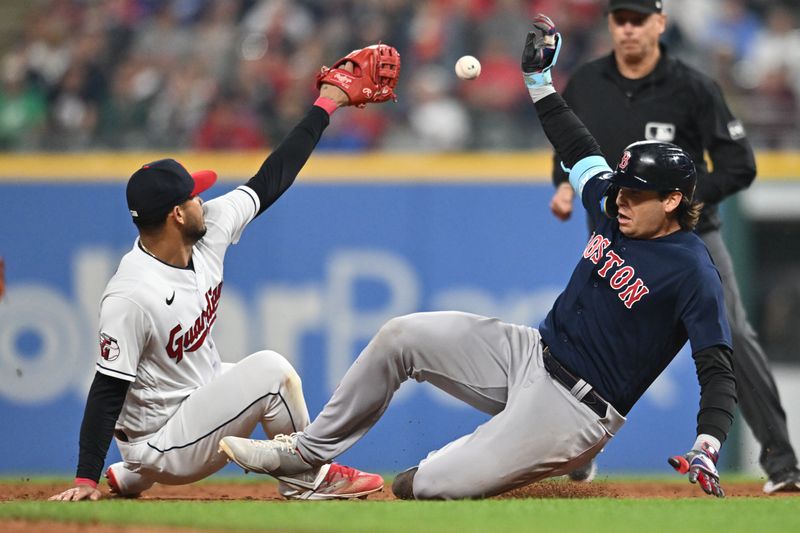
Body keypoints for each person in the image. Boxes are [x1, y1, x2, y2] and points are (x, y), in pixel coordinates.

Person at [217, 16, 736, 500]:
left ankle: (563, 462)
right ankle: (307, 456)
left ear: (672, 201)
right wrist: (539, 82)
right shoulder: (614, 205)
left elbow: (716, 366)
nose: (620, 198)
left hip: (578, 409)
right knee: (401, 337)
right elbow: (579, 149)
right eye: (620, 188)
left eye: (635, 193)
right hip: (531, 352)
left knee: (419, 484)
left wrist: (708, 443)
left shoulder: (691, 268)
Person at [49, 44, 400, 502]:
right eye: (193, 196)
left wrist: (327, 103)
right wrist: (83, 479)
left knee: (240, 374)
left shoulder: (207, 227)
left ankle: (130, 476)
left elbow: (273, 176)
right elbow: (106, 391)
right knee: (272, 372)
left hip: (193, 402)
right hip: (162, 444)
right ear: (176, 214)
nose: (203, 199)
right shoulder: (131, 294)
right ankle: (309, 477)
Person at [549, 0, 800, 493]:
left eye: (638, 19)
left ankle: (782, 465)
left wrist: (676, 204)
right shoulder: (586, 83)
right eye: (620, 19)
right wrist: (561, 183)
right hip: (614, 237)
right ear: (610, 25)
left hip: (692, 242)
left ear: (660, 24)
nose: (628, 28)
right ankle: (570, 450)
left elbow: (739, 164)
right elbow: (569, 149)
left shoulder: (693, 87)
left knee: (732, 340)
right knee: (584, 342)